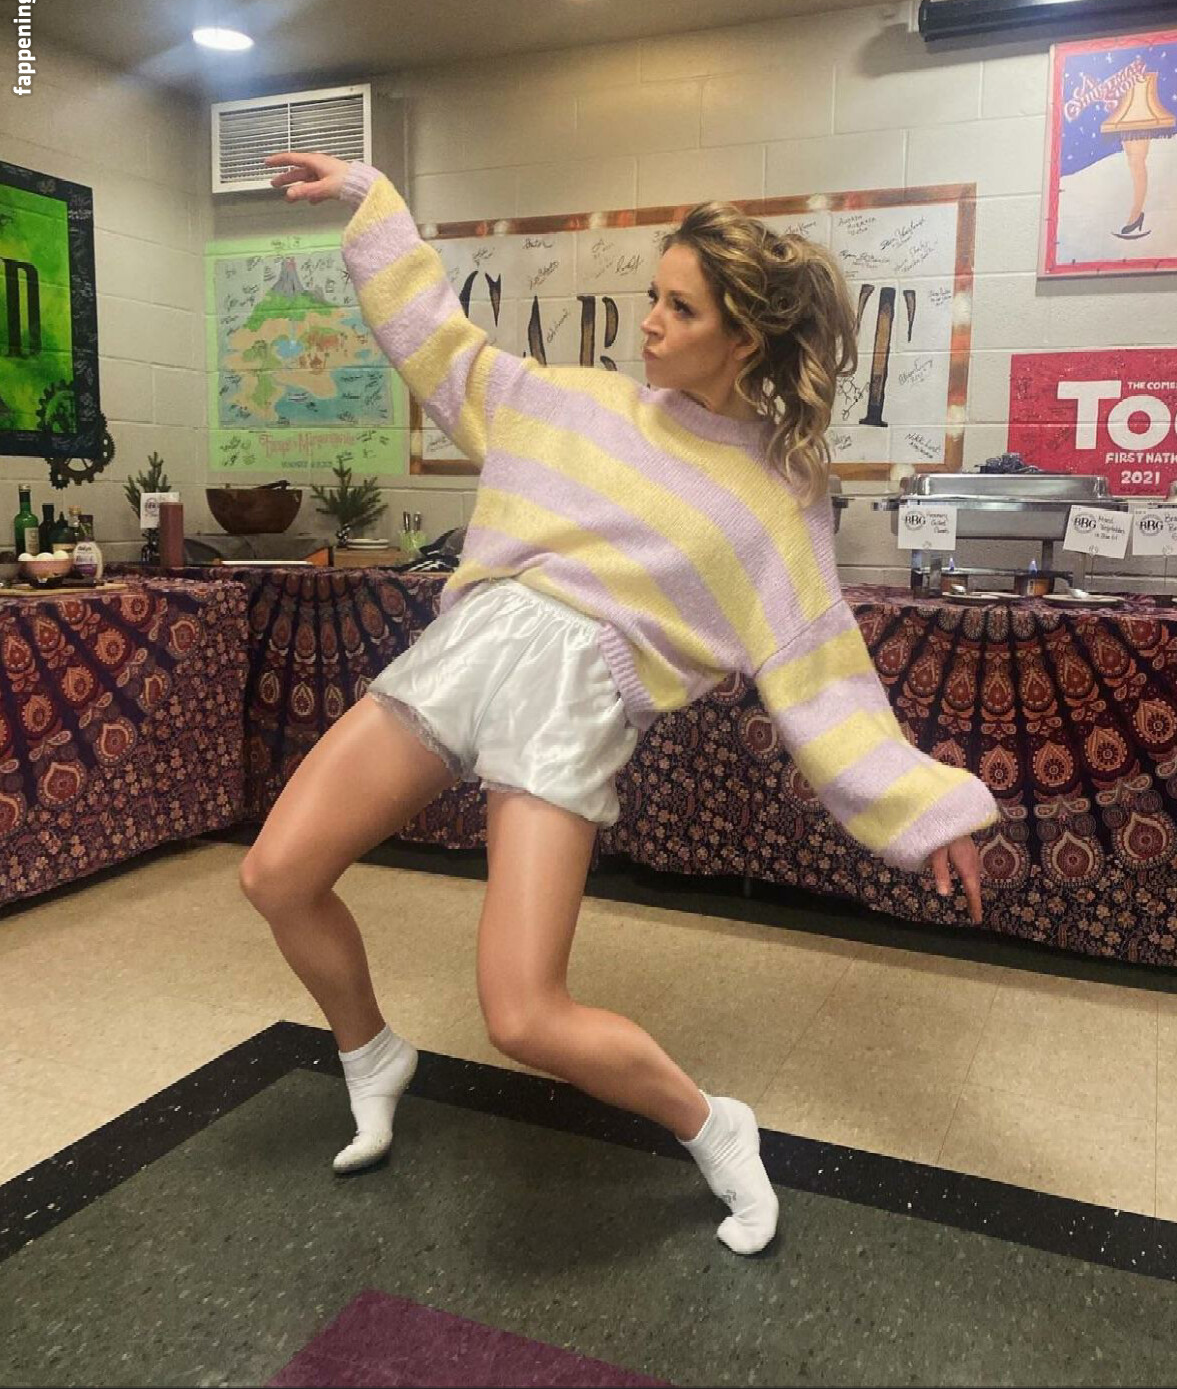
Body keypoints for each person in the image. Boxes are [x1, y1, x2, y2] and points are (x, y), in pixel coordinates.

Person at [241, 149, 998, 1257]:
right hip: (465, 656)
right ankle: (371, 1052)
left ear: (745, 340)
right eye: (654, 294)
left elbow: (821, 671)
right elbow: (438, 342)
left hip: (573, 708)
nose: (648, 322)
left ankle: (713, 1124)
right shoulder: (572, 403)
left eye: (679, 308)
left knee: (522, 1014)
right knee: (276, 874)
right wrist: (372, 201)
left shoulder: (773, 499)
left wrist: (928, 808)